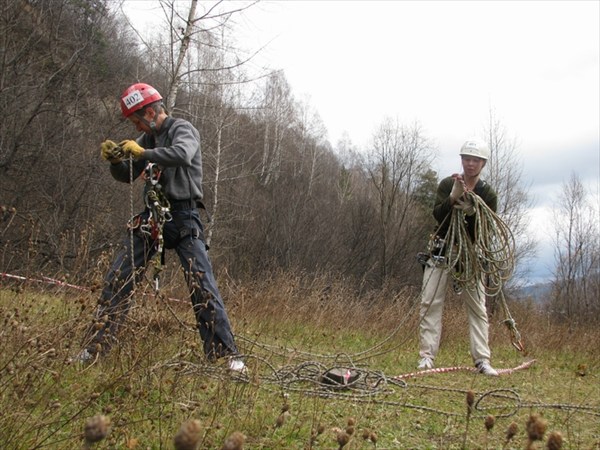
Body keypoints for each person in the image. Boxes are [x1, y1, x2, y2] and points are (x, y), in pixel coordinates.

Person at [76, 83, 245, 373]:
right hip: (153, 216)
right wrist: (117, 162)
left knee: (201, 283)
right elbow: (128, 175)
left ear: (151, 112)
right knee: (119, 275)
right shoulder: (147, 138)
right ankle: (94, 349)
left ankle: (227, 357)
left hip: (183, 216)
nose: (136, 127)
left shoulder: (183, 129)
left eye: (137, 121)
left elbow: (181, 154)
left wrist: (143, 152)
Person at [417, 138, 498, 376]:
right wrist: (452, 198)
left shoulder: (488, 194)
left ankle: (482, 359)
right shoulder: (447, 184)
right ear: (461, 160)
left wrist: (473, 212)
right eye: (467, 159)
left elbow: (486, 230)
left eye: (475, 160)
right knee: (429, 302)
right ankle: (426, 356)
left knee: (477, 308)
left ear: (482, 163)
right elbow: (438, 217)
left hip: (470, 253)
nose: (470, 164)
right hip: (442, 249)